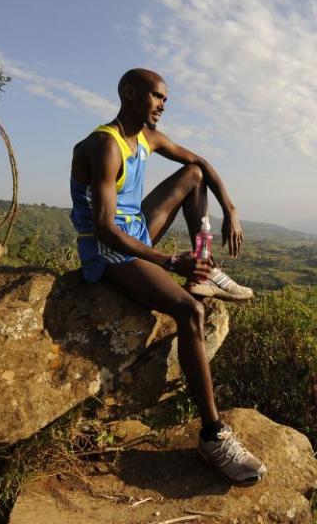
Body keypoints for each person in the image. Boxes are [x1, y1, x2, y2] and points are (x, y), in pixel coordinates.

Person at [69, 68, 265, 483]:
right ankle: (213, 437)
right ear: (129, 93)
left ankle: (204, 267)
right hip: (109, 251)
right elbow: (104, 227)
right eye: (156, 96)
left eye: (164, 99)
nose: (162, 105)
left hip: (136, 229)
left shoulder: (147, 138)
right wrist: (168, 262)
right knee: (191, 312)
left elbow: (201, 164)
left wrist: (230, 208)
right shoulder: (104, 146)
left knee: (192, 176)